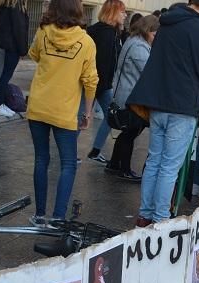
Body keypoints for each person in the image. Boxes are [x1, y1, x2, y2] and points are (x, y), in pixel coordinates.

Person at [127, 0, 199, 226]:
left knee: (155, 161)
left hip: (158, 102)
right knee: (169, 166)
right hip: (182, 104)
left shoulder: (166, 22)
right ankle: (161, 219)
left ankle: (145, 215)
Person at [25, 0, 98, 223]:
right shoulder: (86, 42)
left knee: (41, 160)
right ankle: (58, 218)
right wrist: (87, 112)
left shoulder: (43, 32)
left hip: (38, 107)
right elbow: (90, 81)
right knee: (67, 163)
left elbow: (34, 55)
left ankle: (39, 215)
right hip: (65, 112)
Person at [106, 14, 159, 181]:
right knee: (130, 132)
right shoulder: (139, 47)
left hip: (125, 94)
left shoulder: (133, 41)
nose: (156, 36)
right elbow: (150, 73)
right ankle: (124, 169)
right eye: (154, 33)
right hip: (129, 97)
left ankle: (114, 164)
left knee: (127, 132)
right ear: (148, 30)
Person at [86, 0, 128, 163]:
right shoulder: (106, 33)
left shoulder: (109, 31)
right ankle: (69, 153)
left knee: (111, 116)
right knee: (83, 117)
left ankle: (95, 151)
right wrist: (99, 87)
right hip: (97, 83)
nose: (125, 15)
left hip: (101, 84)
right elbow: (102, 62)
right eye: (122, 12)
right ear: (113, 13)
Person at [0, 0, 28, 117]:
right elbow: (19, 30)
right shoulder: (15, 8)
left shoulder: (1, 7)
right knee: (6, 75)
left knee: (4, 74)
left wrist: (1, 36)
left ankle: (1, 103)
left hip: (5, 45)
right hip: (13, 47)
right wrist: (23, 50)